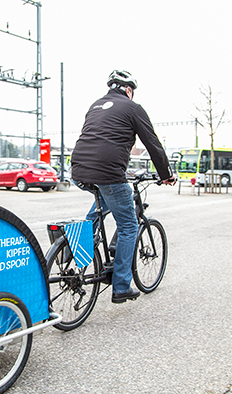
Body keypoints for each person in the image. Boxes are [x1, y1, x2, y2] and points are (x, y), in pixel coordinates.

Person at [71, 70, 176, 304]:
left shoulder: (95, 105)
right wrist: (166, 174)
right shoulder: (133, 108)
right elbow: (153, 143)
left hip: (78, 170)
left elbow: (99, 140)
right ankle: (121, 286)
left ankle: (71, 251)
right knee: (129, 225)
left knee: (106, 200)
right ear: (128, 90)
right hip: (108, 171)